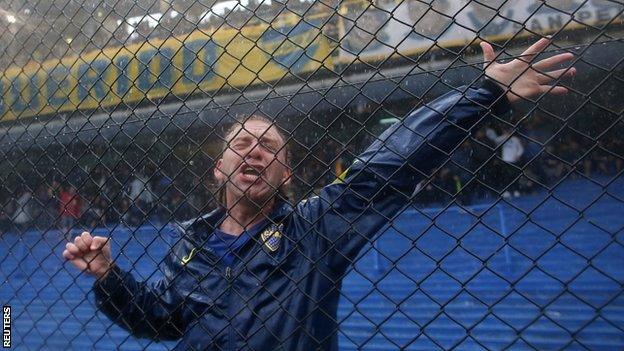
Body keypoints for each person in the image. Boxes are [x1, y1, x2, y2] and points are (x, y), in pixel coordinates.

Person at [63, 38, 576, 350]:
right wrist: (110, 278)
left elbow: (390, 161)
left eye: (269, 147)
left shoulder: (314, 227)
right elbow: (160, 321)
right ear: (218, 171)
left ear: (287, 174)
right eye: (241, 144)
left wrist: (482, 93)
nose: (255, 153)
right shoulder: (188, 247)